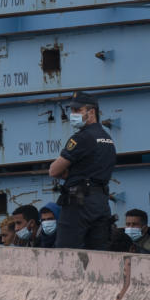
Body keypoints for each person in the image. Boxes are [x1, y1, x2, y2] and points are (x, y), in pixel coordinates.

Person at [48, 91, 117, 250]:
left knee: (67, 253)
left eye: (77, 110)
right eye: (72, 110)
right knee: (98, 255)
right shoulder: (108, 139)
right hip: (101, 202)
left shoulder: (81, 138)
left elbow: (54, 170)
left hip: (79, 203)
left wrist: (70, 174)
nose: (73, 114)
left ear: (91, 112)